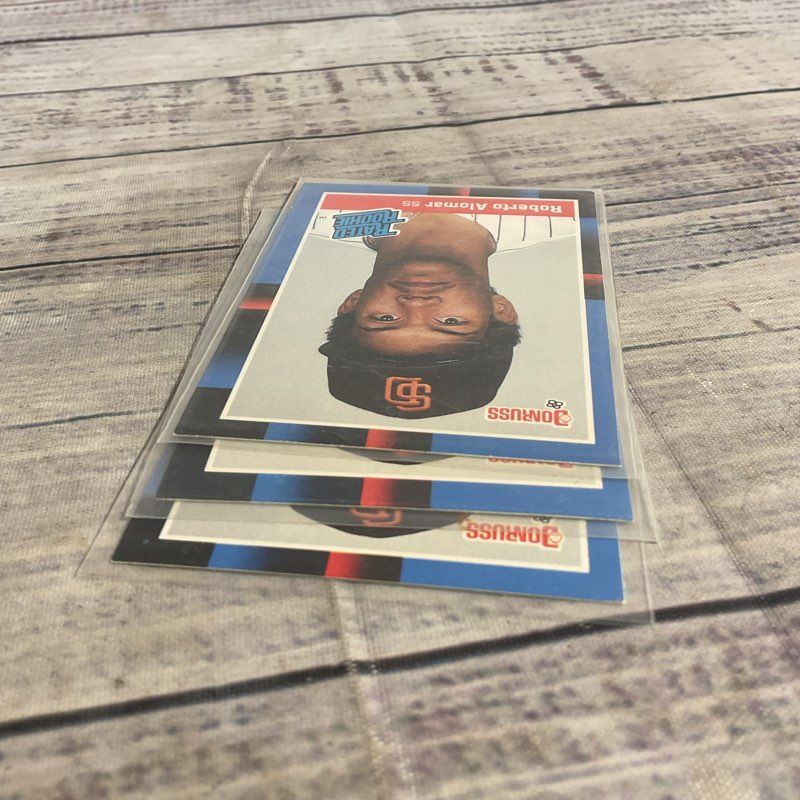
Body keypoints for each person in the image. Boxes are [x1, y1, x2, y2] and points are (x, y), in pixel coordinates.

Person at [318, 212, 521, 419]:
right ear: (501, 310)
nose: (415, 303)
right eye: (451, 322)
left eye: (385, 318)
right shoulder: (532, 221)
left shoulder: (325, 218)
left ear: (353, 302)